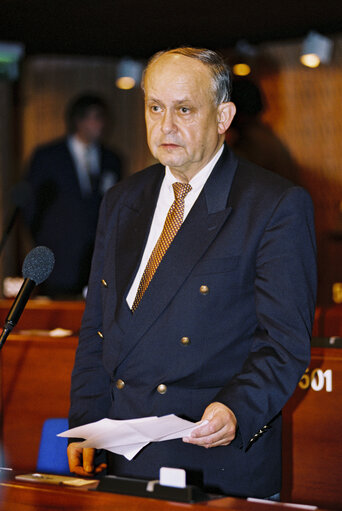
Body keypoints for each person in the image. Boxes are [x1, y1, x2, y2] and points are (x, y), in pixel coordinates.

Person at [68, 48, 316, 499]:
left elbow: (284, 342)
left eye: (184, 109)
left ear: (223, 116)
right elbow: (97, 328)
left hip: (212, 456)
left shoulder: (274, 204)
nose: (166, 126)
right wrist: (87, 419)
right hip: (122, 454)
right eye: (155, 107)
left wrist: (238, 409)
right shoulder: (122, 199)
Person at [23, 94, 121, 297]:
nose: (102, 124)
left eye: (103, 118)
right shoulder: (48, 157)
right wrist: (45, 242)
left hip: (98, 257)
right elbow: (30, 206)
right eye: (96, 117)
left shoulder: (112, 159)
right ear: (79, 120)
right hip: (60, 256)